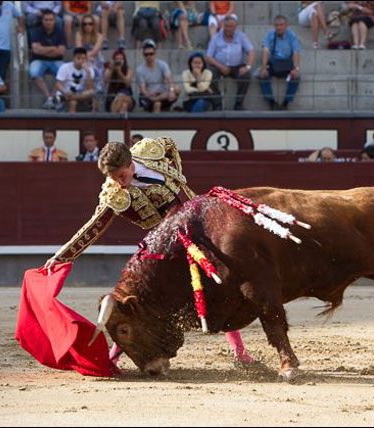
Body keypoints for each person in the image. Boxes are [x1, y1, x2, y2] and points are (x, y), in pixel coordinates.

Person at [42, 138, 254, 366]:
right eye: (114, 179)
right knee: (145, 298)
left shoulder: (149, 151)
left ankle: (239, 352)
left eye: (122, 176)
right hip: (169, 243)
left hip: (201, 223)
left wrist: (180, 178)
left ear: (131, 162)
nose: (120, 184)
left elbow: (171, 145)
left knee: (218, 283)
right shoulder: (113, 194)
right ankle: (114, 357)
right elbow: (94, 227)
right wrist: (62, 256)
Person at [205, 16, 255, 111]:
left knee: (246, 75)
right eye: (227, 26)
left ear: (235, 27)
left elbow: (251, 51)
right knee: (209, 74)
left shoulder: (241, 36)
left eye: (232, 27)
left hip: (237, 66)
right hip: (219, 65)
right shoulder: (216, 38)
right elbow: (208, 57)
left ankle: (239, 104)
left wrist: (248, 67)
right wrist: (220, 67)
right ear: (223, 25)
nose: (229, 29)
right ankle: (217, 103)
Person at [259, 15, 301, 111]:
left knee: (296, 78)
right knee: (262, 76)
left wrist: (295, 68)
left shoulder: (292, 36)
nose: (279, 27)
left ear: (286, 25)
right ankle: (271, 101)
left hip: (287, 64)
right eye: (277, 25)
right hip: (273, 63)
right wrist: (263, 67)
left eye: (281, 25)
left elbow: (295, 53)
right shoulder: (270, 35)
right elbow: (265, 52)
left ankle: (286, 103)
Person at [30, 9, 67, 109]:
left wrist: (43, 50)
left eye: (50, 20)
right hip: (39, 60)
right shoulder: (37, 32)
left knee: (63, 73)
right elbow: (35, 50)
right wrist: (53, 48)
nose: (48, 22)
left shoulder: (60, 32)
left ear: (54, 20)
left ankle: (53, 97)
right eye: (46, 20)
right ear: (42, 21)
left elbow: (61, 51)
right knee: (34, 72)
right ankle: (49, 97)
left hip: (56, 60)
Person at [136, 39, 180, 113]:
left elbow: (170, 79)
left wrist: (171, 90)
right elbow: (143, 90)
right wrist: (150, 95)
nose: (149, 56)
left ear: (155, 54)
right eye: (146, 54)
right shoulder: (140, 69)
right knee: (157, 104)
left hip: (162, 93)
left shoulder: (162, 64)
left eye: (151, 54)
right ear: (143, 55)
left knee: (177, 88)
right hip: (150, 95)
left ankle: (159, 100)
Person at [75, 13, 106, 105]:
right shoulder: (78, 34)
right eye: (85, 24)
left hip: (95, 58)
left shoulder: (99, 35)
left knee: (95, 69)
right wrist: (85, 57)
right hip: (82, 58)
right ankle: (86, 96)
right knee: (84, 68)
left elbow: (96, 49)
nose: (87, 26)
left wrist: (88, 56)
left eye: (90, 23)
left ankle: (96, 94)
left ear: (94, 24)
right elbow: (79, 48)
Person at [54, 47, 96, 112]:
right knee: (72, 102)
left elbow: (90, 88)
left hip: (79, 94)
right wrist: (66, 91)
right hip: (64, 95)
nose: (81, 61)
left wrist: (88, 73)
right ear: (73, 58)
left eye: (83, 58)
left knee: (92, 92)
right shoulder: (64, 67)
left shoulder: (89, 69)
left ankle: (74, 97)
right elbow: (58, 84)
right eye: (78, 58)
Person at [104, 49, 134, 113]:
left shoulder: (129, 69)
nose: (119, 61)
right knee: (124, 106)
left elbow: (127, 83)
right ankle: (119, 121)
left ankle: (113, 119)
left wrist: (119, 72)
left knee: (121, 96)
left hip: (127, 96)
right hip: (112, 97)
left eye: (121, 59)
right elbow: (106, 80)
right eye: (117, 59)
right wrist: (111, 69)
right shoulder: (110, 68)